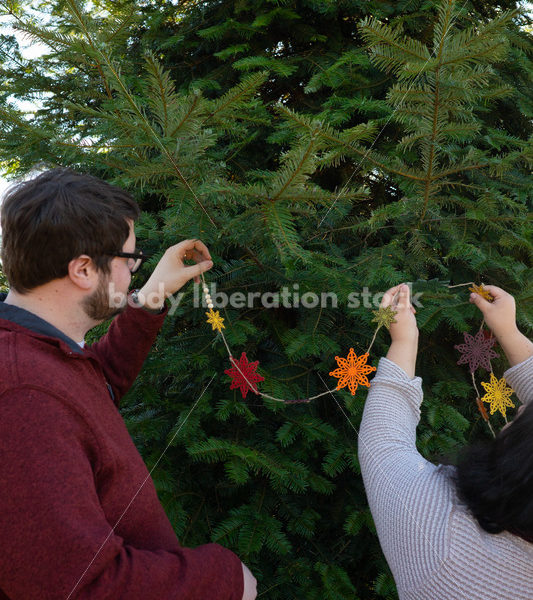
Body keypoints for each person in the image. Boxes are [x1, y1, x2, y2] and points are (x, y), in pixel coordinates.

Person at [0, 168, 257, 600]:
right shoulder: (22, 394)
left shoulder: (36, 351)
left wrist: (152, 294)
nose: (133, 272)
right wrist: (223, 581)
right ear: (83, 269)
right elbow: (76, 586)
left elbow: (91, 388)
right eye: (129, 260)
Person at [359, 283, 533, 600]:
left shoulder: (443, 548)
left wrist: (404, 341)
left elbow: (383, 444)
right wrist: (509, 332)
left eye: (524, 417)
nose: (521, 407)